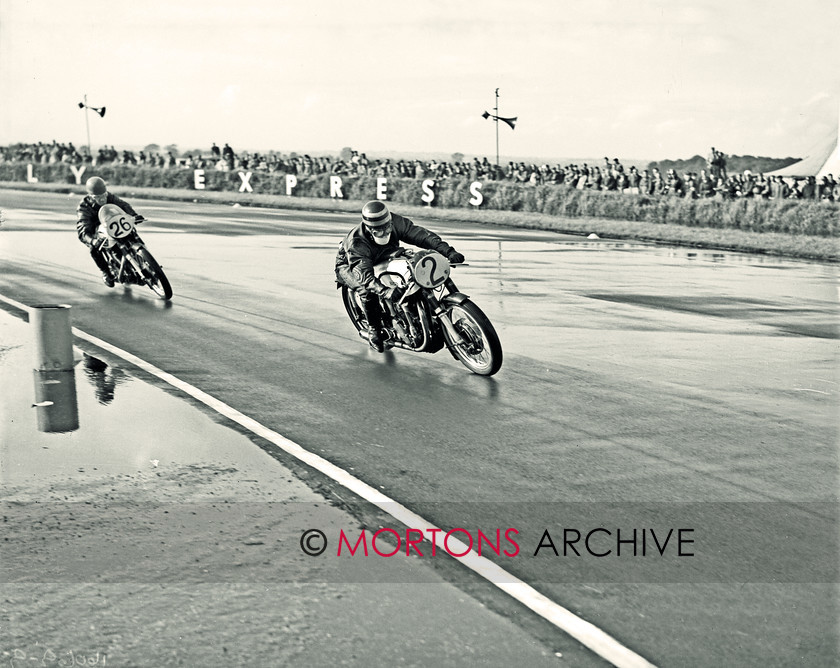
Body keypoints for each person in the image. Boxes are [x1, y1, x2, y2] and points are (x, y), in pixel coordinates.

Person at [335, 200, 465, 352]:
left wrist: (448, 251)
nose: (385, 233)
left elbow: (422, 236)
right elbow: (364, 276)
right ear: (370, 230)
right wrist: (386, 291)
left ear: (390, 220)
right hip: (350, 264)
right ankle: (374, 330)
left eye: (387, 228)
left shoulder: (396, 221)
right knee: (367, 290)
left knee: (411, 274)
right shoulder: (357, 242)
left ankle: (416, 313)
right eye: (379, 231)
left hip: (384, 253)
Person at [75, 176, 144, 287]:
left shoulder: (110, 197)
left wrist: (134, 215)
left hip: (113, 221)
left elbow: (123, 205)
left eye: (104, 195)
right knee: (94, 249)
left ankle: (143, 255)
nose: (102, 199)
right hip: (97, 228)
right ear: (91, 197)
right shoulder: (84, 208)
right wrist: (92, 240)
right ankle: (106, 272)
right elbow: (82, 229)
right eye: (98, 197)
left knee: (131, 232)